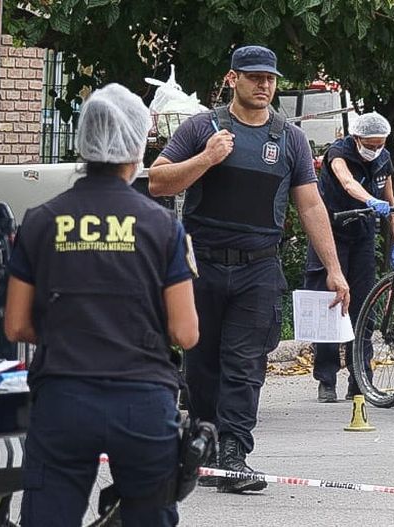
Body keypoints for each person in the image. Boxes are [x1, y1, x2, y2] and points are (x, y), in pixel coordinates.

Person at [149, 45, 349, 493]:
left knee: (244, 365)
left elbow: (311, 205)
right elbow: (158, 180)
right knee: (201, 365)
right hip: (201, 265)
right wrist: (206, 158)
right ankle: (204, 444)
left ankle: (234, 452)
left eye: (270, 78)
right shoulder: (203, 127)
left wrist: (334, 269)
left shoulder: (289, 138)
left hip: (258, 268)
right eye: (255, 76)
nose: (263, 85)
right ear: (232, 78)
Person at [4, 83, 199, 526]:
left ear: (84, 142)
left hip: (63, 398)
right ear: (137, 145)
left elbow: (15, 325)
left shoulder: (40, 221)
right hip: (143, 401)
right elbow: (185, 333)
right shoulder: (162, 227)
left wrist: (67, 331)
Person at [306, 112, 394, 402]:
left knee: (364, 306)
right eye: (370, 145)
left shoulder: (384, 159)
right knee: (329, 303)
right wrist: (370, 200)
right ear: (357, 138)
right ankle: (326, 378)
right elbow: (347, 183)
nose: (375, 150)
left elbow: (391, 203)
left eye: (380, 145)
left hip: (362, 236)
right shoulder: (339, 153)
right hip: (331, 234)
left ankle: (360, 377)